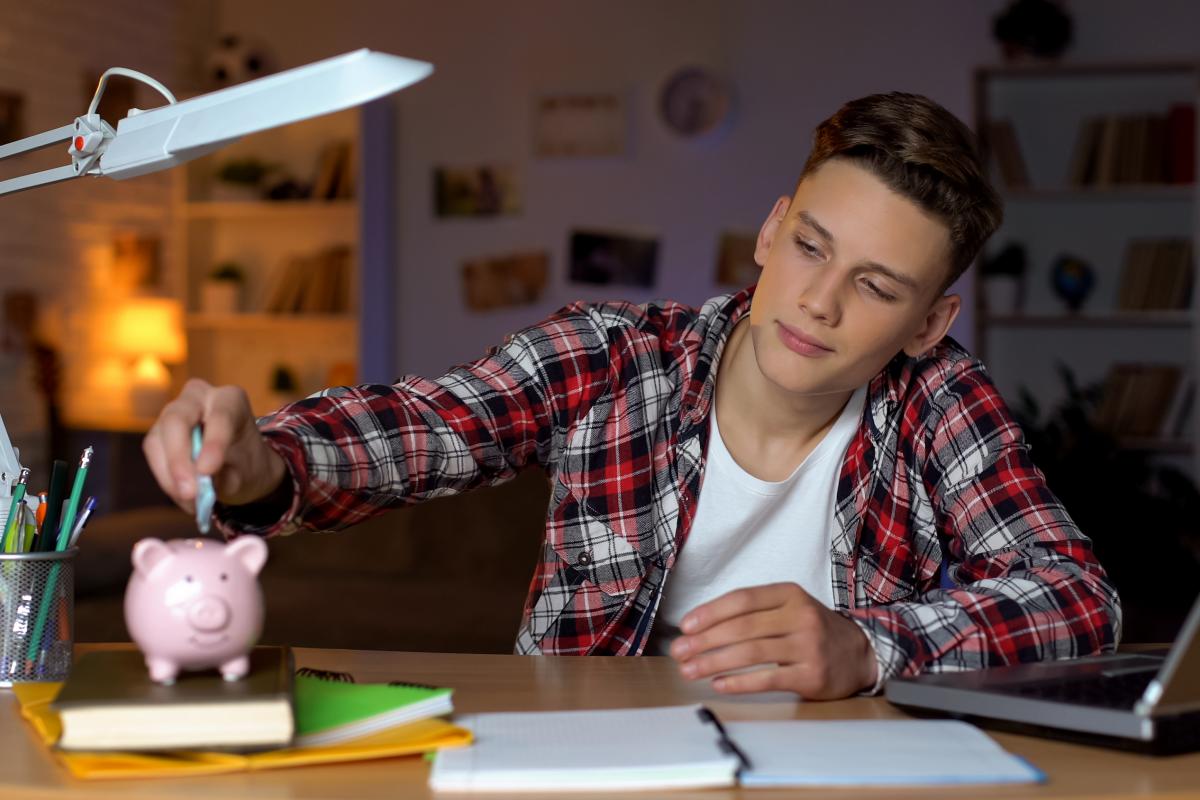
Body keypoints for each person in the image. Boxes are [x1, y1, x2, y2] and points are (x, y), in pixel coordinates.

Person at [143, 92, 1121, 700]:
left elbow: (1079, 598)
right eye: (814, 246)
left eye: (874, 284)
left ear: (926, 322)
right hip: (593, 750)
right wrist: (265, 458)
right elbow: (430, 424)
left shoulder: (942, 399)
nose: (818, 301)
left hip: (840, 767)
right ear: (773, 231)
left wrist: (870, 644)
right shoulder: (617, 355)